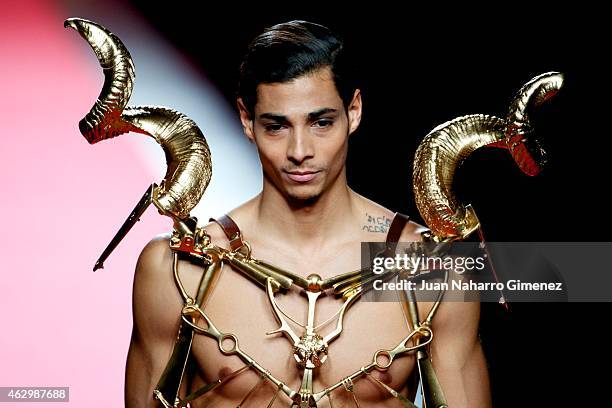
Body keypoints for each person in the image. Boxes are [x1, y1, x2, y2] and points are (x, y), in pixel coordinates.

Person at [125, 20, 491, 407]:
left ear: (354, 110)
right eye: (277, 126)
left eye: (321, 122)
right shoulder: (176, 271)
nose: (300, 151)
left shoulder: (435, 271)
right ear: (247, 120)